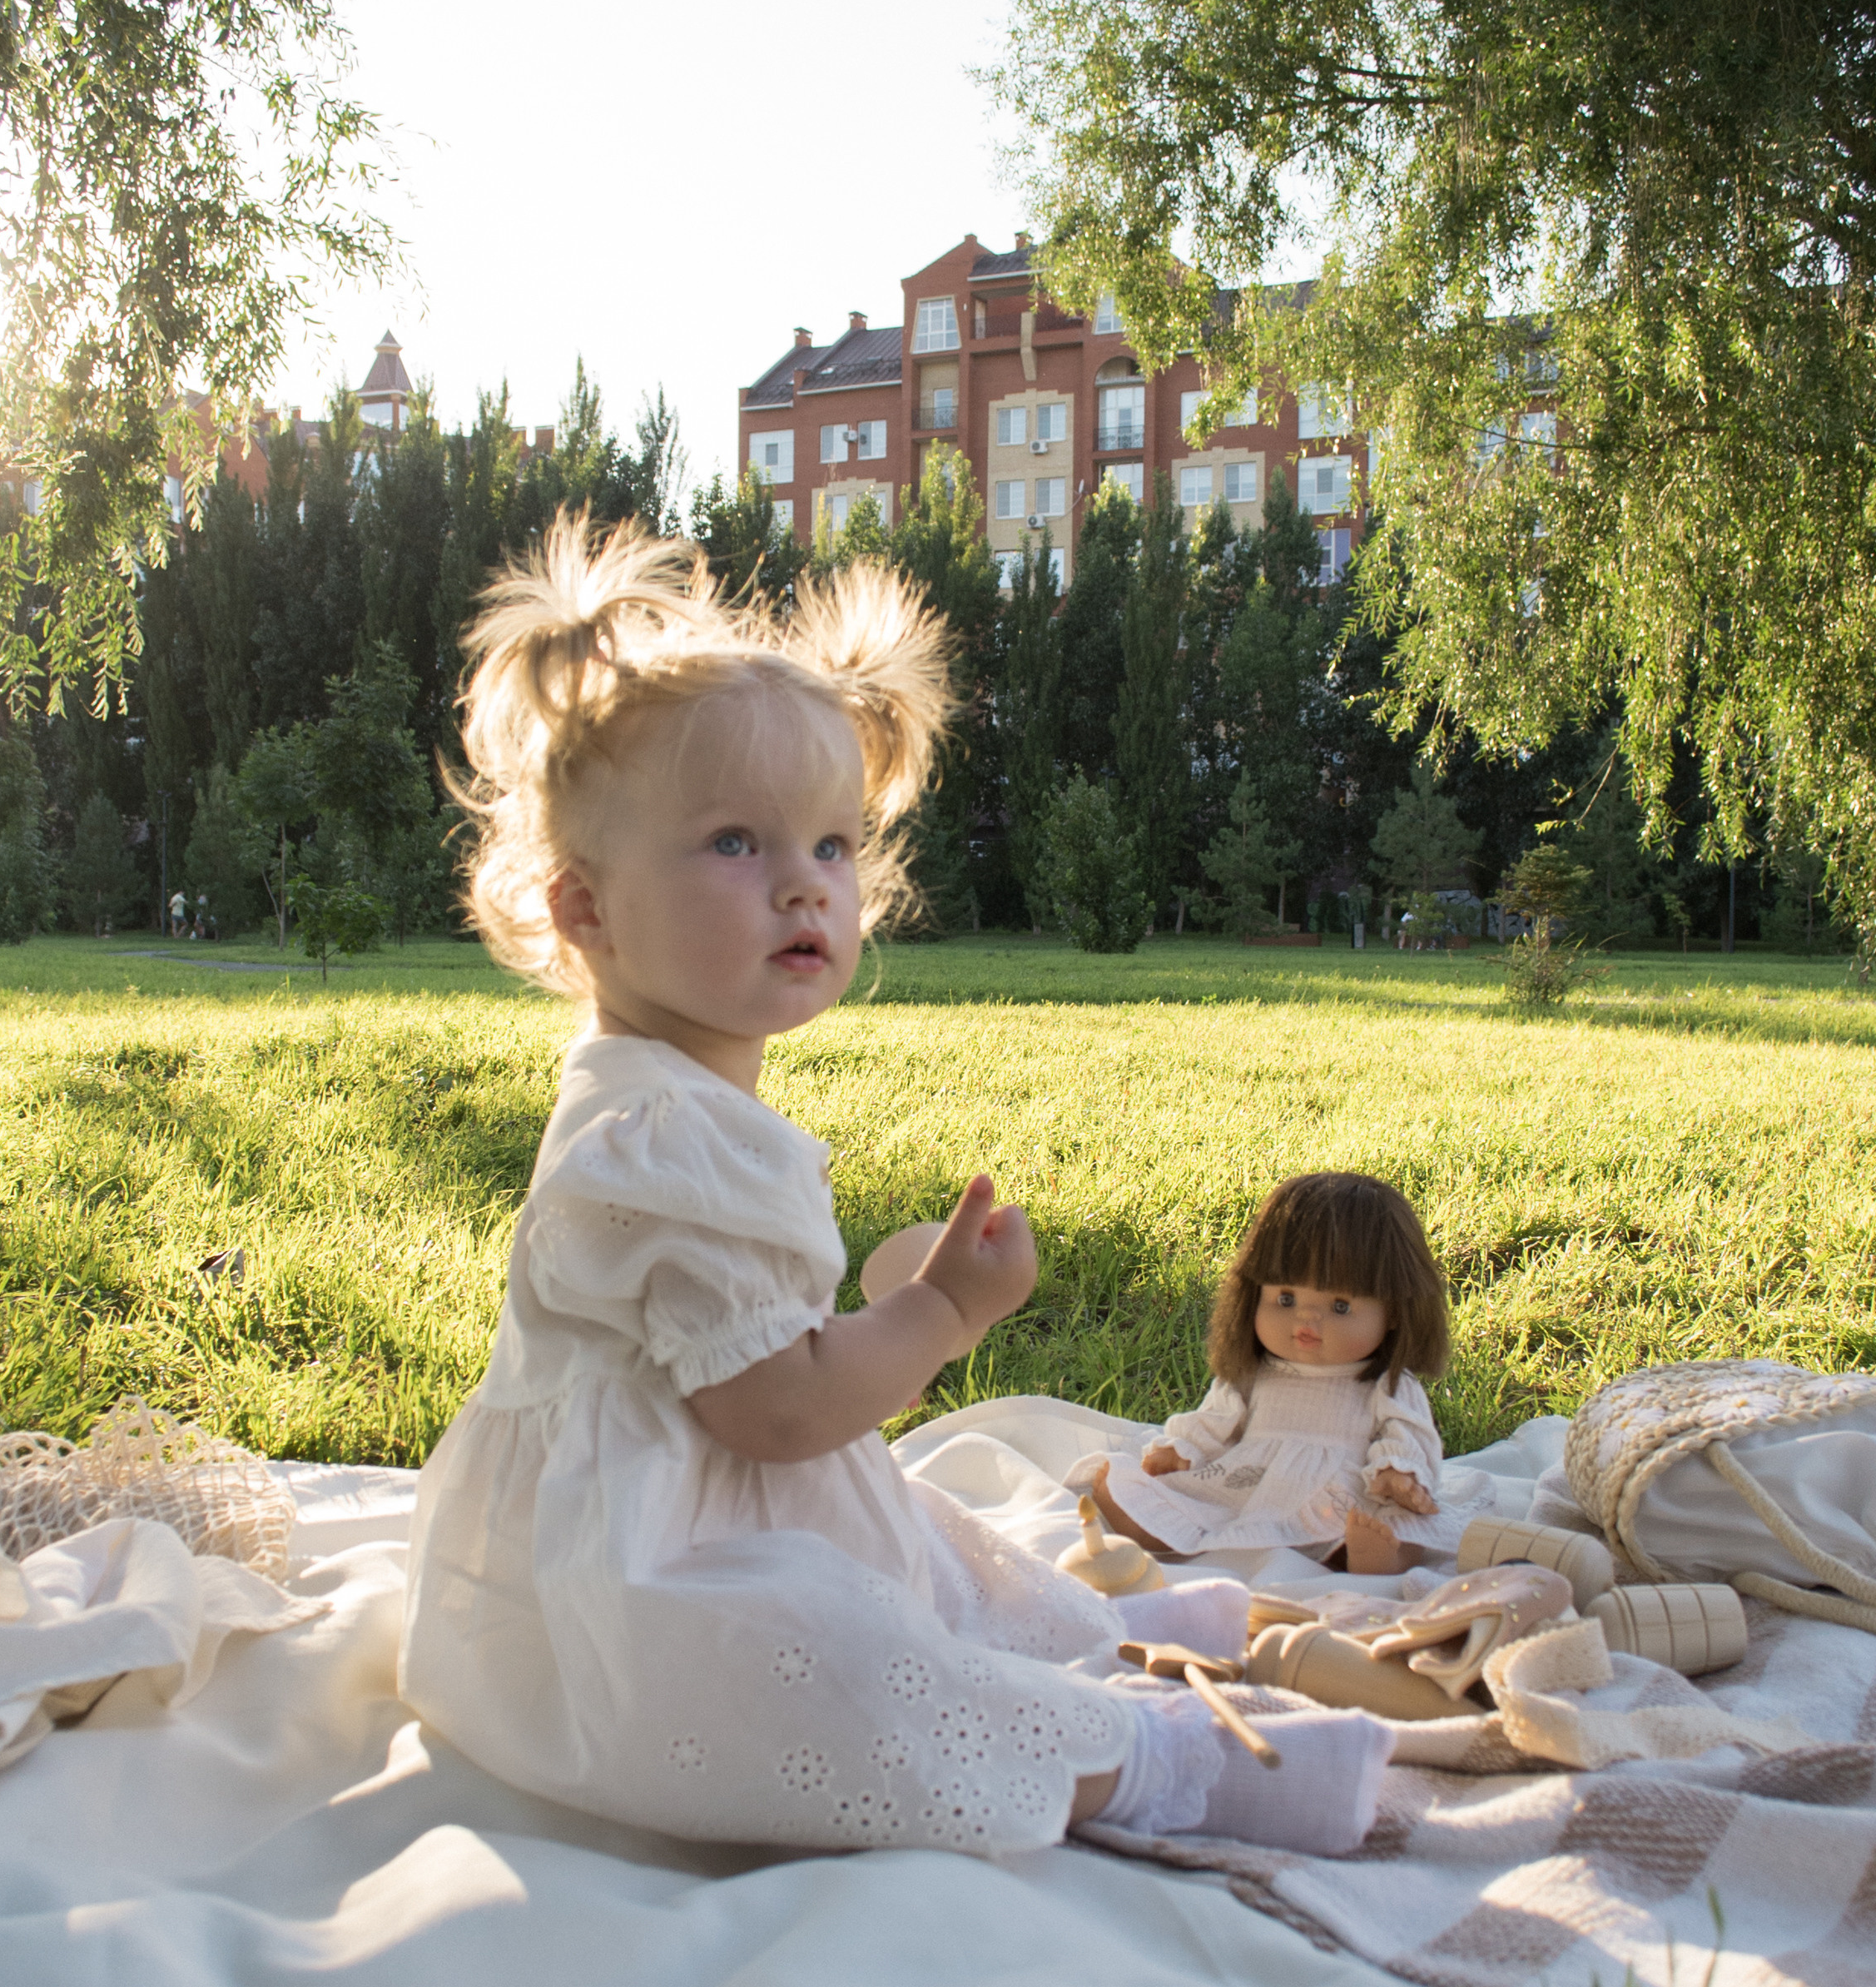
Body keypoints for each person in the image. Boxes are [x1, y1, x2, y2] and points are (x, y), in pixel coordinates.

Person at [399, 517, 1392, 1861]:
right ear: (586, 909)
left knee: (920, 1539)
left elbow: (754, 1362)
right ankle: (1155, 1764)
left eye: (831, 845)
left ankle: (1086, 1636)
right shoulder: (661, 1138)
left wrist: (884, 1304)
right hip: (635, 1587)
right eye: (735, 844)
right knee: (834, 1663)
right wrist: (943, 1314)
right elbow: (781, 1411)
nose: (803, 887)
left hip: (696, 1497)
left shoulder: (665, 1094)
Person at [1079, 1172, 1488, 1577]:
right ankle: (1147, 1528)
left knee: (1401, 1522)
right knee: (1189, 1502)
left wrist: (1398, 1473)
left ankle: (1380, 1557)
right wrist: (1182, 1450)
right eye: (1286, 1298)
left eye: (1340, 1306)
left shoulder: (1388, 1384)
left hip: (1341, 1493)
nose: (1306, 1318)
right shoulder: (1254, 1374)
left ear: (1395, 1312)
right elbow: (1217, 1421)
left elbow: (1409, 1433)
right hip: (1252, 1486)